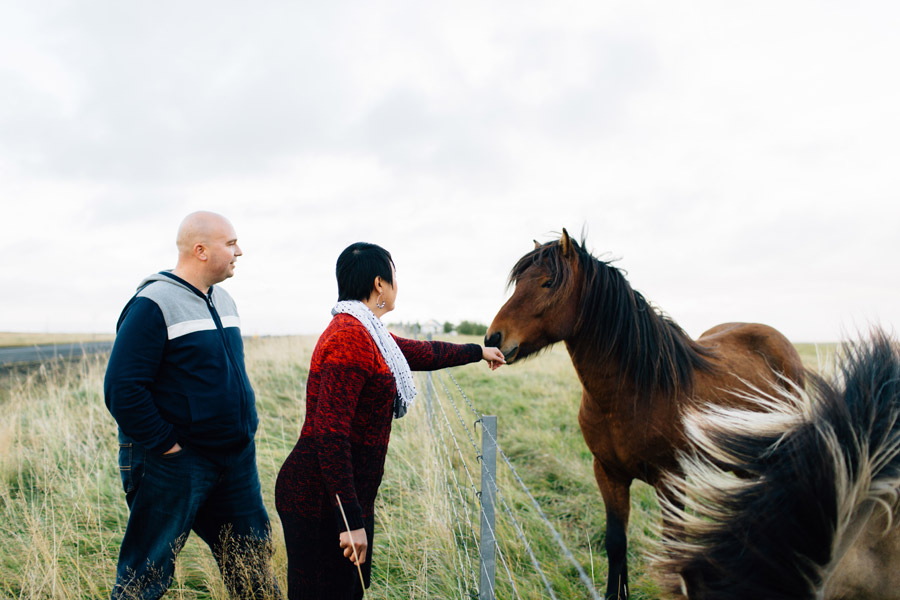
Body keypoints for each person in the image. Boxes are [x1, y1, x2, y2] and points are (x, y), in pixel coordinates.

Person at [274, 242, 506, 600]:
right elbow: (330, 435)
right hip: (319, 499)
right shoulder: (350, 337)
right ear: (380, 284)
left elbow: (422, 352)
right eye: (394, 277)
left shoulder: (370, 334)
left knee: (350, 591)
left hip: (338, 494)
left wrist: (478, 352)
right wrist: (350, 520)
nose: (397, 285)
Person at [104, 211, 280, 600]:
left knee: (252, 563)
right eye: (231, 243)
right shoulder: (153, 303)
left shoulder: (224, 299)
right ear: (200, 250)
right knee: (145, 575)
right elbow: (122, 388)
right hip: (176, 463)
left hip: (234, 461)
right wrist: (169, 446)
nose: (240, 251)